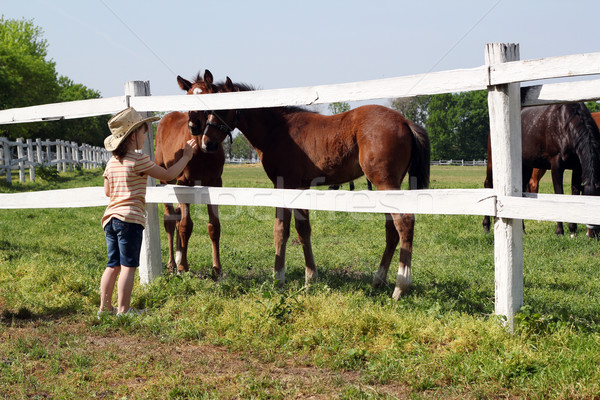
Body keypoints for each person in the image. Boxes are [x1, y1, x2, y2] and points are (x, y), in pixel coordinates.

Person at [98, 107, 197, 318]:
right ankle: (124, 310)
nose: (146, 137)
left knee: (112, 265)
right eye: (144, 132)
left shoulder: (112, 162)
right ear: (133, 135)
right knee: (128, 266)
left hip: (110, 219)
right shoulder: (139, 160)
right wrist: (186, 156)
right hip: (129, 220)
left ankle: (104, 308)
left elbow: (107, 191)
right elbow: (169, 173)